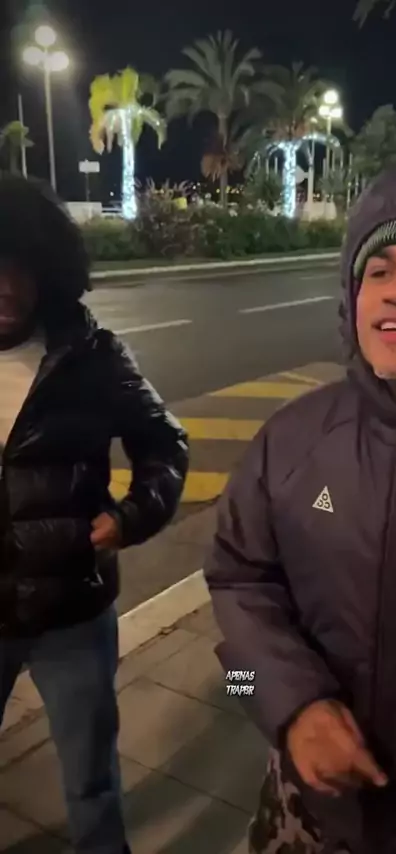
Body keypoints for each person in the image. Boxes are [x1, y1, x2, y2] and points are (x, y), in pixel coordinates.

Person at [205, 146, 396, 853]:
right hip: (303, 822)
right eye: (377, 271)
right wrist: (282, 707)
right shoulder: (291, 440)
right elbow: (234, 590)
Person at [0, 176, 188, 854]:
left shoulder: (93, 357)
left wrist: (134, 516)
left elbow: (164, 444)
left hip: (72, 613)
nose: (6, 287)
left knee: (91, 781)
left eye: (22, 267)